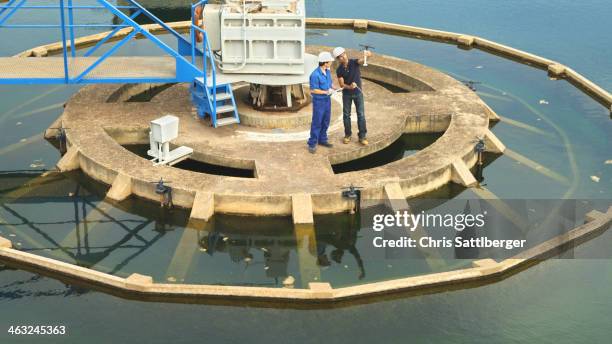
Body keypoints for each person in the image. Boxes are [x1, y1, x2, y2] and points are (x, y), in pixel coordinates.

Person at [333, 47, 371, 145]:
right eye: (340, 57)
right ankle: (347, 135)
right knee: (346, 115)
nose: (343, 57)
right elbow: (342, 85)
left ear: (346, 54)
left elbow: (362, 61)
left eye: (343, 55)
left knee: (361, 115)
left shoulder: (354, 62)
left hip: (358, 94)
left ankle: (362, 137)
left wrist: (367, 56)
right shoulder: (339, 70)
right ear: (338, 59)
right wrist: (349, 87)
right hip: (347, 95)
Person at [307, 51, 337, 154]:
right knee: (317, 122)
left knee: (326, 120)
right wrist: (325, 91)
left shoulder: (327, 72)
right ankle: (312, 143)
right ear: (325, 62)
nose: (331, 63)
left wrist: (334, 88)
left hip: (327, 100)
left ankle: (322, 140)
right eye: (330, 61)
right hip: (319, 101)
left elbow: (330, 83)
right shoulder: (315, 75)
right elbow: (313, 90)